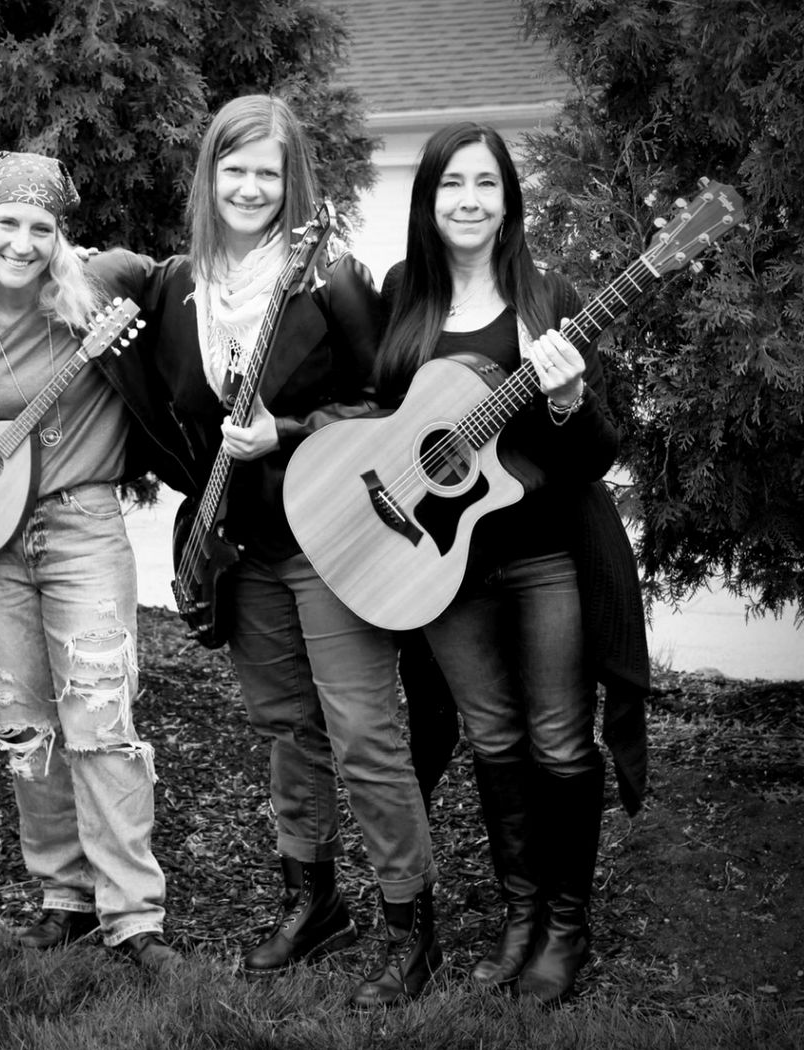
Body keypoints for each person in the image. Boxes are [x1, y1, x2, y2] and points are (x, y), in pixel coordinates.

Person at [134, 94, 441, 1008]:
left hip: (330, 537)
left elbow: (392, 408)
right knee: (287, 731)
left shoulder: (331, 281)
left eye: (269, 171)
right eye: (235, 168)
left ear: (294, 180)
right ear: (209, 175)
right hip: (239, 548)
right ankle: (313, 901)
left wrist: (292, 431)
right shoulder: (176, 285)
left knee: (365, 737)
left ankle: (408, 926)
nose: (251, 187)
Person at [376, 121, 650, 1005]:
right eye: (452, 183)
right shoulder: (401, 297)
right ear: (428, 198)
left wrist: (569, 402)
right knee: (491, 737)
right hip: (440, 565)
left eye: (486, 185)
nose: (468, 200)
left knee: (562, 741)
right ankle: (519, 918)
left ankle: (566, 929)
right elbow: (386, 428)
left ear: (509, 201)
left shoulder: (551, 298)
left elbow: (595, 455)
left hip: (543, 559)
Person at [0, 151, 194, 972]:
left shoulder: (100, 288)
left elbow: (192, 267)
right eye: (7, 224)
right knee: (26, 725)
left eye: (41, 227)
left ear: (61, 235)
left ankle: (134, 915)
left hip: (82, 527)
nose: (23, 242)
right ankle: (64, 898)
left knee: (102, 720)